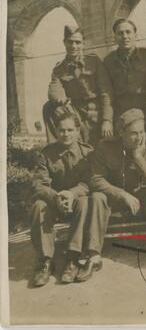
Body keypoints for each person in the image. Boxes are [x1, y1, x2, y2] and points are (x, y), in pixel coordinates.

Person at [76, 108, 146, 282]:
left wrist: (138, 157)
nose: (140, 137)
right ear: (121, 132)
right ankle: (93, 256)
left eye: (142, 132)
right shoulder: (105, 147)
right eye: (134, 133)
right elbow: (96, 179)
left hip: (140, 199)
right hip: (115, 200)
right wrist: (121, 194)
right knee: (98, 197)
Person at [29, 112, 93, 286]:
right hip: (53, 204)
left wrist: (71, 193)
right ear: (56, 131)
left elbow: (89, 182)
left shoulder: (87, 153)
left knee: (85, 201)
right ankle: (45, 262)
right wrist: (56, 197)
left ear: (78, 131)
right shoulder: (46, 154)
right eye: (61, 130)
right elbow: (39, 185)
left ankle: (73, 259)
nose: (66, 134)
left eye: (70, 130)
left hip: (77, 204)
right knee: (38, 205)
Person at [43, 25, 113, 146]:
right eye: (70, 42)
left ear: (83, 44)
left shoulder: (94, 62)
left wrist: (107, 120)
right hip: (75, 112)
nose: (74, 46)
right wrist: (59, 98)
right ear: (64, 43)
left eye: (78, 42)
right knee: (49, 107)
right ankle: (56, 149)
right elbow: (54, 88)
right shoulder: (59, 69)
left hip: (96, 110)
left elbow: (106, 92)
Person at [104, 19, 146, 130]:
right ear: (115, 37)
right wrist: (107, 120)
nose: (124, 36)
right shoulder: (108, 61)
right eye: (120, 33)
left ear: (135, 35)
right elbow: (107, 93)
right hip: (122, 114)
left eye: (128, 32)